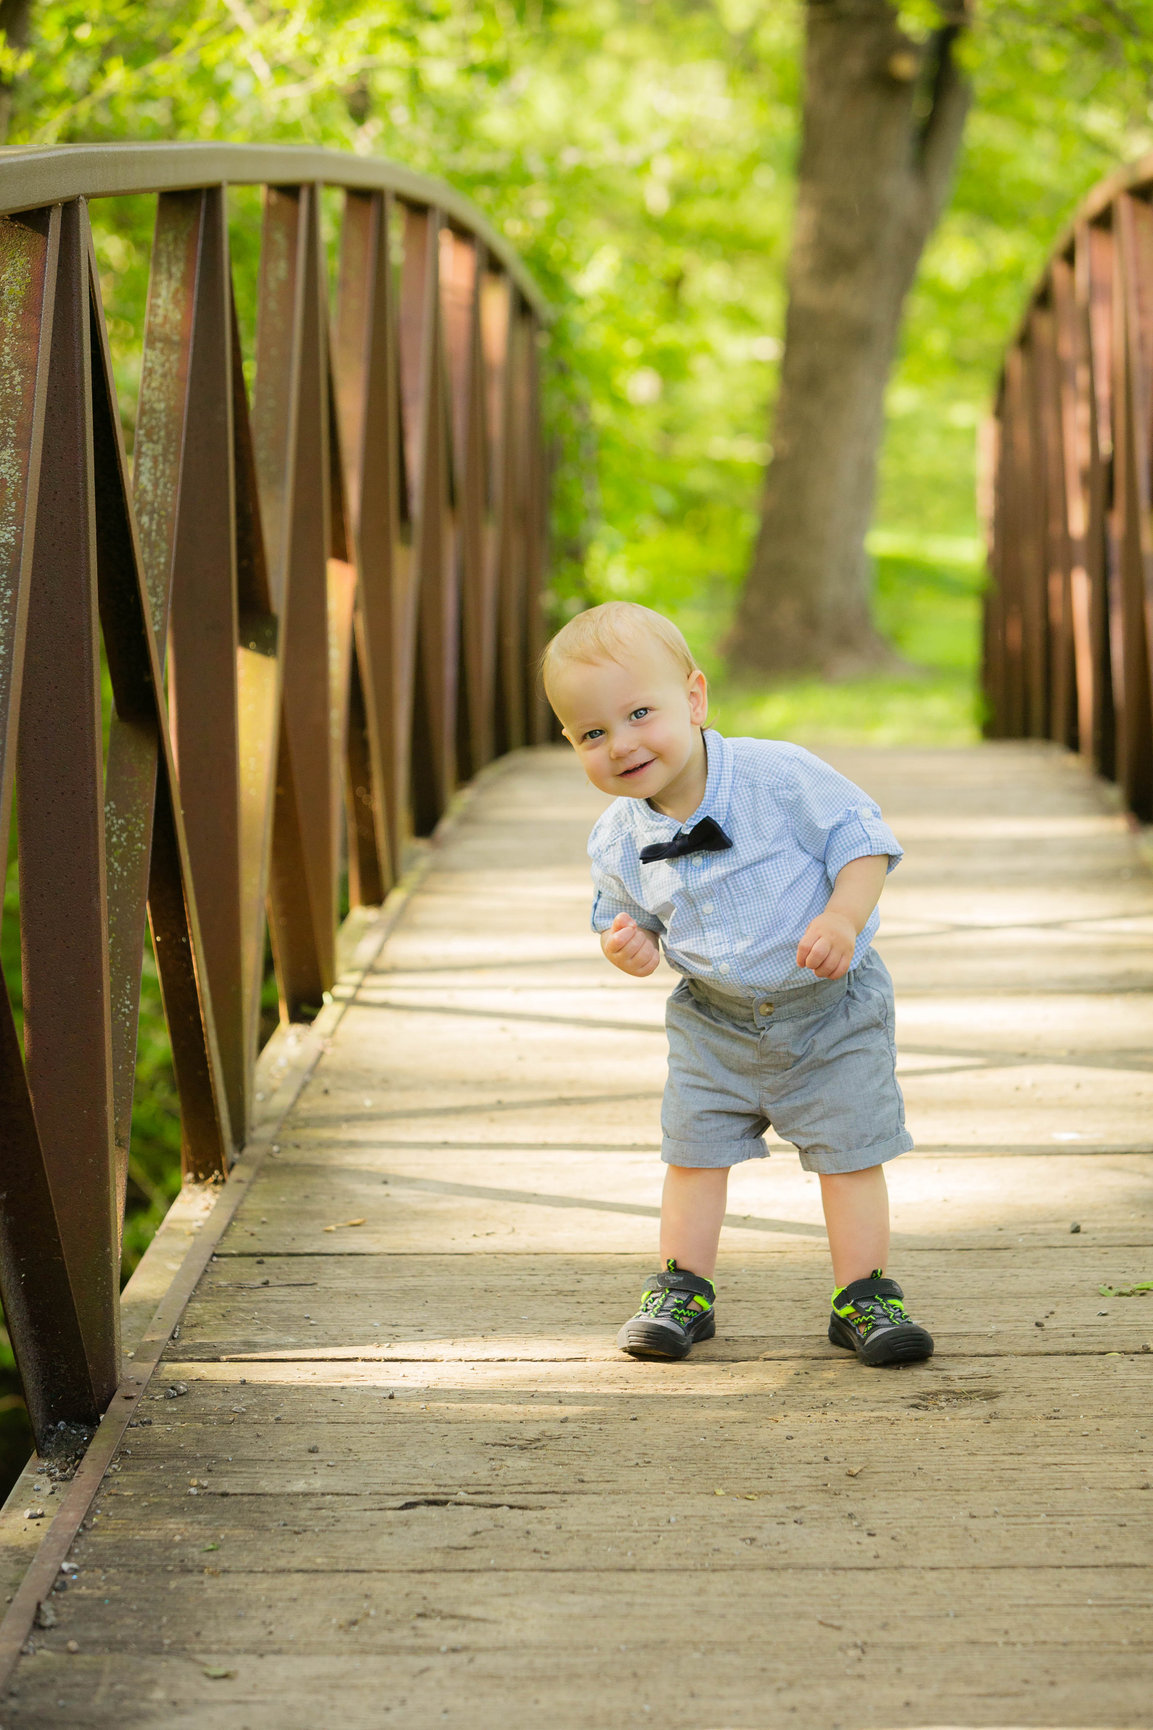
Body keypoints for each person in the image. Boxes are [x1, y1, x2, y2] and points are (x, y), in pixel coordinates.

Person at [541, 600, 933, 1367]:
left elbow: (861, 840)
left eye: (638, 713)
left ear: (693, 699)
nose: (619, 744)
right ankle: (682, 1289)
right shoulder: (616, 834)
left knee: (849, 1152)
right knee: (692, 1152)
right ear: (571, 743)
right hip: (711, 1021)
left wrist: (842, 920)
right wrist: (629, 943)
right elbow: (625, 911)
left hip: (830, 1011)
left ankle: (864, 1294)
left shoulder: (775, 776)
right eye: (592, 733)